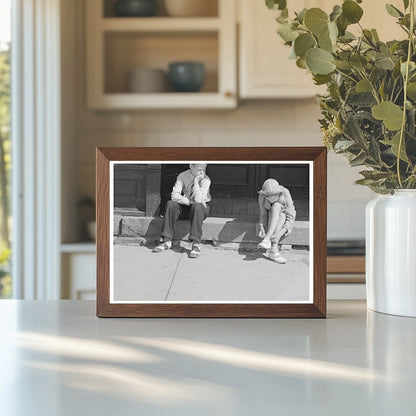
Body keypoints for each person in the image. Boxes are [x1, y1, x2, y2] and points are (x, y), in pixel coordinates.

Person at [153, 163, 211, 258]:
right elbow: (174, 195)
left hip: (200, 209)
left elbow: (198, 200)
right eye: (200, 169)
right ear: (191, 166)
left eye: (204, 169)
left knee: (197, 207)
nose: (202, 172)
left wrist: (196, 183)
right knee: (171, 204)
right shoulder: (182, 176)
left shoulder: (206, 180)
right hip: (187, 204)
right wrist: (188, 202)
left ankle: (196, 244)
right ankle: (166, 241)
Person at [257, 178, 296, 264]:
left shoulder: (285, 194)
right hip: (270, 219)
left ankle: (268, 241)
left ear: (278, 193)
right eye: (267, 196)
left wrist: (280, 233)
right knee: (275, 208)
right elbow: (263, 214)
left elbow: (291, 217)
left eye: (273, 195)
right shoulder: (262, 197)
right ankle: (273, 251)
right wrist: (262, 227)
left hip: (282, 219)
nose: (270, 198)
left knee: (277, 207)